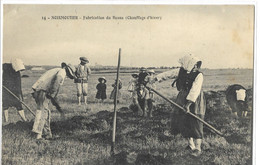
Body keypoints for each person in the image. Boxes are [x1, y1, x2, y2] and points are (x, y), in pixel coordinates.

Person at [154, 54, 206, 157]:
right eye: (195, 65)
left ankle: (198, 148)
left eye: (197, 65)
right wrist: (155, 78)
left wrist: (188, 104)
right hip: (182, 97)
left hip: (195, 100)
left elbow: (195, 91)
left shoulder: (199, 75)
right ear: (189, 64)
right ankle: (190, 145)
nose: (196, 67)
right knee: (183, 120)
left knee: (195, 121)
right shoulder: (181, 71)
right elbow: (167, 74)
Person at [31, 63, 75, 140]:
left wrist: (54, 99)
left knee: (46, 112)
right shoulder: (62, 72)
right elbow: (57, 82)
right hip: (43, 91)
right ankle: (38, 136)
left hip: (39, 91)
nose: (67, 77)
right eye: (68, 75)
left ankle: (47, 134)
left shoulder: (56, 70)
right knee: (42, 113)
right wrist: (52, 94)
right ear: (68, 71)